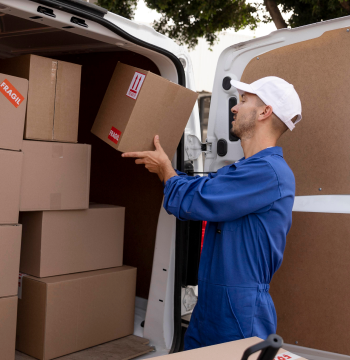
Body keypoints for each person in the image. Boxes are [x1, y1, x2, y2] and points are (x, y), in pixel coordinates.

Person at [122, 76, 301, 350]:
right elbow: (204, 188)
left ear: (265, 112)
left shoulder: (268, 173)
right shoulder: (245, 169)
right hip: (213, 302)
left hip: (239, 310)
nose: (234, 107)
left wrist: (165, 171)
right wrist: (169, 171)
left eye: (243, 100)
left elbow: (197, 200)